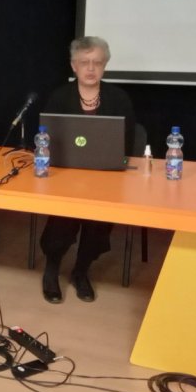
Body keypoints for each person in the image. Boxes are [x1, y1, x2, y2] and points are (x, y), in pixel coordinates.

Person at [40, 36, 135, 303]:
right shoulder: (59, 97)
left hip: (105, 177)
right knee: (62, 221)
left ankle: (81, 271)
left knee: (98, 224)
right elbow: (47, 138)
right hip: (65, 177)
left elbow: (126, 143)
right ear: (74, 66)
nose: (91, 68)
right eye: (84, 63)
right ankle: (51, 269)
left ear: (105, 66)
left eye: (97, 62)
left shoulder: (119, 99)